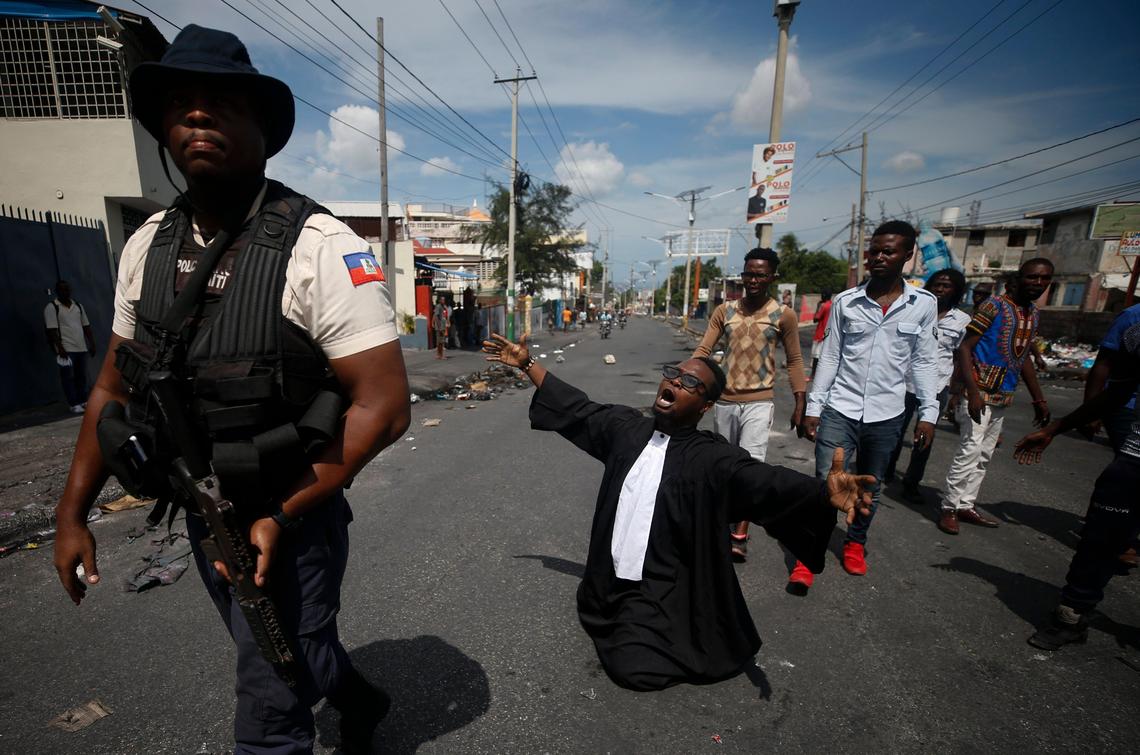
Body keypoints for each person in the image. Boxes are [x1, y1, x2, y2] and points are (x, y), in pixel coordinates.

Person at [50, 25, 410, 754]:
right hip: (201, 506)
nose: (198, 115)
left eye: (220, 102)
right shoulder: (146, 247)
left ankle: (318, 696)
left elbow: (385, 405)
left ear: (262, 131)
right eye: (181, 102)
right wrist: (71, 512)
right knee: (279, 649)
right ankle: (358, 696)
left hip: (294, 515)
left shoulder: (322, 248)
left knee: (270, 703)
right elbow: (112, 386)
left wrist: (282, 511)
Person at [481, 332, 875, 691]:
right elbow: (577, 407)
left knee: (634, 670)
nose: (674, 382)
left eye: (690, 383)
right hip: (609, 579)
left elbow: (763, 481)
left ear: (704, 406)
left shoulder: (712, 458)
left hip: (663, 584)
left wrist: (822, 494)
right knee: (607, 625)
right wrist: (528, 364)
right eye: (673, 374)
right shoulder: (626, 428)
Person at [800, 220, 939, 581]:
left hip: (888, 412)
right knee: (825, 481)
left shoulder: (922, 305)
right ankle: (811, 548)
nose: (878, 257)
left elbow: (925, 361)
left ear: (907, 255)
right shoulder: (846, 302)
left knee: (871, 485)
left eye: (888, 251)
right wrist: (814, 408)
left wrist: (929, 413)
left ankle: (855, 542)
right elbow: (829, 357)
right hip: (839, 409)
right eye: (873, 250)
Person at [1014, 319, 1140, 650]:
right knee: (1100, 536)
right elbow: (1121, 387)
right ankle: (1071, 616)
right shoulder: (1136, 326)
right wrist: (1058, 427)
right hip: (1135, 458)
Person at [692, 247, 806, 562]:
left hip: (759, 401)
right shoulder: (724, 311)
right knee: (726, 464)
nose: (753, 280)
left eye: (760, 274)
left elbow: (795, 360)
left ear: (772, 277)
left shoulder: (783, 314)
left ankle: (739, 533)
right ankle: (724, 518)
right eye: (748, 273)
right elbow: (704, 349)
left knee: (750, 467)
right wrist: (686, 381)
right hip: (726, 401)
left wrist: (800, 401)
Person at [938, 258, 1054, 535]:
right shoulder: (993, 307)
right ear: (1020, 278)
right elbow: (965, 348)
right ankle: (949, 507)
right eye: (1032, 277)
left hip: (1004, 393)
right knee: (969, 449)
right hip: (978, 391)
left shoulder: (1033, 314)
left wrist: (1039, 400)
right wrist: (971, 391)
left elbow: (1023, 356)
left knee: (985, 453)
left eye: (1045, 279)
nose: (1038, 284)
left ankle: (966, 503)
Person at [884, 269, 971, 501]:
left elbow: (961, 357)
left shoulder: (961, 321)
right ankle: (886, 473)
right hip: (905, 382)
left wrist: (957, 390)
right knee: (894, 431)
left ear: (956, 291)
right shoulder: (915, 311)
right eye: (937, 284)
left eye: (946, 286)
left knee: (923, 437)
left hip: (936, 387)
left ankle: (911, 483)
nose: (940, 289)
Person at [44, 279, 96, 413]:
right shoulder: (52, 307)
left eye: (67, 289)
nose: (65, 292)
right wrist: (60, 348)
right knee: (68, 377)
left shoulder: (78, 306)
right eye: (62, 289)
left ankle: (83, 400)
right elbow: (52, 330)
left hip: (81, 347)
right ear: (57, 291)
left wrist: (92, 343)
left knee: (81, 376)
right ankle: (74, 403)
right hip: (66, 349)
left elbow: (86, 326)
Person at [810, 289, 832, 378]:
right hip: (829, 334)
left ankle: (813, 375)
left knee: (816, 356)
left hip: (820, 334)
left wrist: (818, 306)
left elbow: (815, 319)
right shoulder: (833, 305)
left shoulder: (824, 306)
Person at [433, 293, 450, 360]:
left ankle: (439, 355)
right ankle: (441, 355)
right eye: (442, 300)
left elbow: (445, 316)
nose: (444, 301)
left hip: (442, 326)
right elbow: (436, 316)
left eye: (444, 300)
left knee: (440, 341)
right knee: (440, 341)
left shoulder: (443, 307)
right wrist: (439, 326)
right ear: (440, 300)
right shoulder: (438, 306)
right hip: (440, 327)